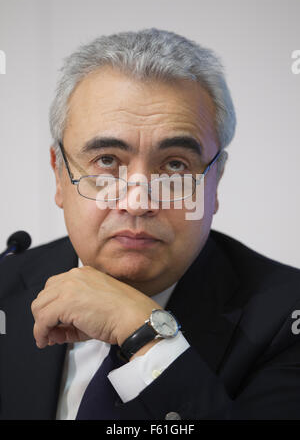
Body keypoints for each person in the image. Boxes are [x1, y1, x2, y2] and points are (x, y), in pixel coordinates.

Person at [1, 28, 300, 420]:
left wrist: (144, 333)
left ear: (216, 180)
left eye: (175, 165)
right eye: (106, 161)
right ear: (60, 175)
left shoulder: (285, 320)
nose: (138, 202)